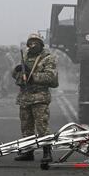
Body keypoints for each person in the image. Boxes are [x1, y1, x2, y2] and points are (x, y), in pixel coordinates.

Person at [12, 33, 59, 162]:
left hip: (40, 97)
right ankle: (28, 152)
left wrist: (33, 76)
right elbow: (16, 75)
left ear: (41, 44)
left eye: (35, 42)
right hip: (25, 96)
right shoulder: (26, 56)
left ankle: (47, 152)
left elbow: (51, 77)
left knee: (42, 126)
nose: (33, 45)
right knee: (26, 127)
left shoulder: (48, 58)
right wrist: (16, 71)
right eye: (30, 42)